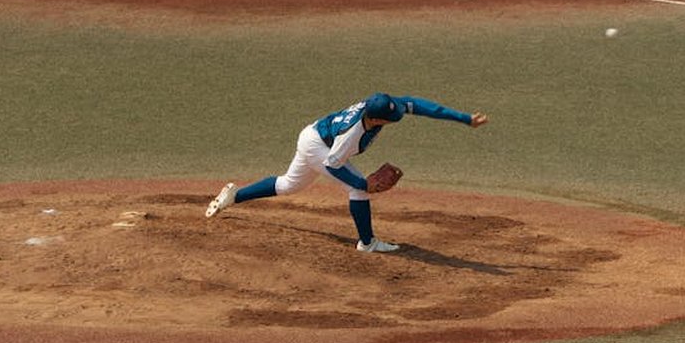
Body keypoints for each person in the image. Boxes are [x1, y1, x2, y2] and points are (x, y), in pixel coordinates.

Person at [205, 92, 489, 252]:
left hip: (313, 134)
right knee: (357, 189)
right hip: (319, 146)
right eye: (391, 120)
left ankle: (233, 196)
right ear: (376, 118)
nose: (396, 120)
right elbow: (332, 164)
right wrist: (363, 183)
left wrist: (463, 119)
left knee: (289, 185)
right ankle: (367, 243)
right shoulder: (350, 135)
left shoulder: (379, 106)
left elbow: (421, 106)